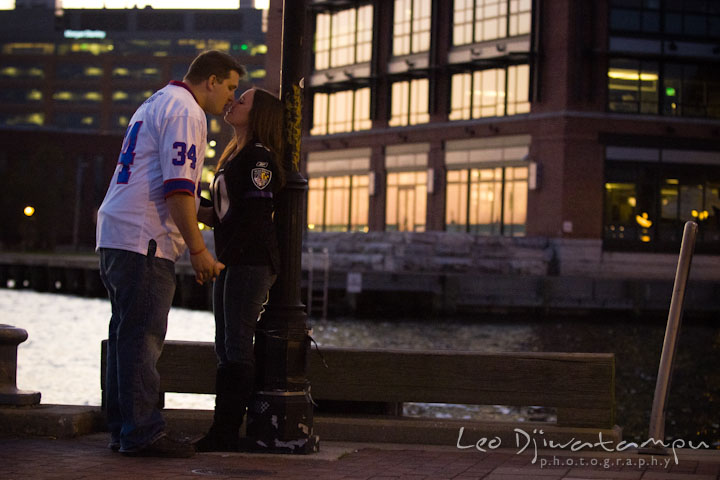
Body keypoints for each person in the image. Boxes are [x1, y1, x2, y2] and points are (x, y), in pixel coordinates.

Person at [96, 50, 245, 458]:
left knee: (126, 336)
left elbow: (163, 180)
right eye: (230, 87)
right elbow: (178, 189)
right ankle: (142, 432)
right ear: (210, 80)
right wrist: (197, 249)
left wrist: (211, 216)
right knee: (142, 339)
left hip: (116, 232)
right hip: (145, 239)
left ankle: (123, 428)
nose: (231, 98)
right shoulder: (187, 112)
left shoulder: (156, 101)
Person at [194, 88, 286, 452]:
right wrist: (184, 205)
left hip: (250, 261)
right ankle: (224, 429)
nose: (232, 103)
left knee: (235, 345)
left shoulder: (259, 158)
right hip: (231, 260)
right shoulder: (235, 155)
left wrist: (224, 254)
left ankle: (226, 432)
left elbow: (255, 217)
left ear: (258, 114)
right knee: (225, 344)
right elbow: (221, 215)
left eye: (242, 100)